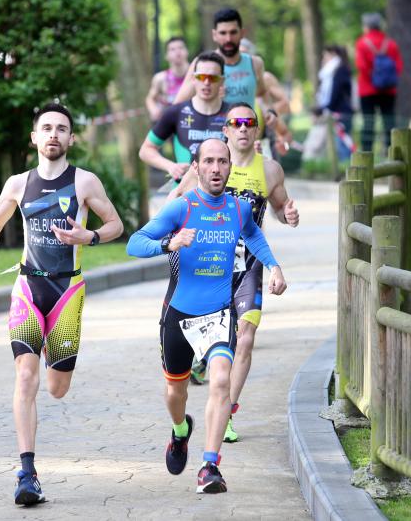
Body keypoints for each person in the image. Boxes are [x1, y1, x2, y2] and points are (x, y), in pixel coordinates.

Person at [0, 103, 124, 506]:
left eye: (61, 129)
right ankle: (27, 473)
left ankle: (55, 352)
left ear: (71, 139)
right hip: (28, 290)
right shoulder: (19, 183)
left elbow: (116, 224)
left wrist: (90, 238)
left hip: (67, 293)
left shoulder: (85, 181)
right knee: (26, 380)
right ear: (34, 138)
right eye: (46, 128)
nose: (53, 134)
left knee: (57, 388)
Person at [126, 137, 287, 494]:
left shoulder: (238, 209)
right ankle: (181, 430)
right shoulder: (180, 209)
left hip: (219, 312)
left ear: (230, 167)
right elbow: (134, 243)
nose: (216, 168)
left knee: (219, 382)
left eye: (223, 162)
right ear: (196, 167)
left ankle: (209, 466)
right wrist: (169, 243)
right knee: (175, 392)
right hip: (179, 314)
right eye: (209, 162)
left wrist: (274, 266)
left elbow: (254, 236)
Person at [169, 103, 299, 442]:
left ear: (257, 130)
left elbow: (282, 210)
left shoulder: (270, 170)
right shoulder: (208, 166)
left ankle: (226, 411)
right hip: (210, 268)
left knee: (246, 338)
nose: (243, 128)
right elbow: (176, 201)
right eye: (236, 123)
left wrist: (289, 214)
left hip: (249, 270)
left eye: (249, 123)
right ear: (224, 129)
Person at [173, 8, 278, 132]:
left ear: (242, 33)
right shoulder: (202, 64)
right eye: (223, 33)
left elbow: (262, 93)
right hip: (212, 138)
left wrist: (270, 111)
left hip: (244, 136)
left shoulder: (255, 63)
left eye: (233, 32)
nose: (228, 39)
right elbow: (178, 106)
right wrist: (208, 95)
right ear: (214, 35)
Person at [138, 51, 229, 183]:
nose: (207, 82)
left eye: (213, 78)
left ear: (222, 81)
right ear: (193, 79)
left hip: (223, 196)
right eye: (201, 77)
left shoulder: (233, 114)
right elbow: (146, 150)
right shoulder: (176, 112)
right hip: (185, 195)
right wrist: (170, 166)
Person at [354, 12, 403, 153]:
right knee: (389, 122)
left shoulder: (362, 43)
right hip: (388, 90)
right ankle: (392, 152)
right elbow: (398, 66)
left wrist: (373, 78)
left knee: (368, 122)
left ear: (366, 27)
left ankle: (366, 154)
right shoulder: (391, 44)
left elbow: (361, 67)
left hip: (367, 90)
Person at [145, 36, 190, 122]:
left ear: (187, 51)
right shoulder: (160, 78)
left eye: (181, 48)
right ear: (166, 56)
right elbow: (150, 98)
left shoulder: (197, 76)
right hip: (170, 124)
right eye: (172, 49)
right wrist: (153, 110)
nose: (177, 52)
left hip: (191, 122)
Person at [322, 45, 355, 162]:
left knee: (343, 141)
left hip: (341, 111)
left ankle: (346, 166)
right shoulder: (342, 69)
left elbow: (335, 91)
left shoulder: (340, 70)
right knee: (343, 140)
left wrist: (327, 106)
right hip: (342, 110)